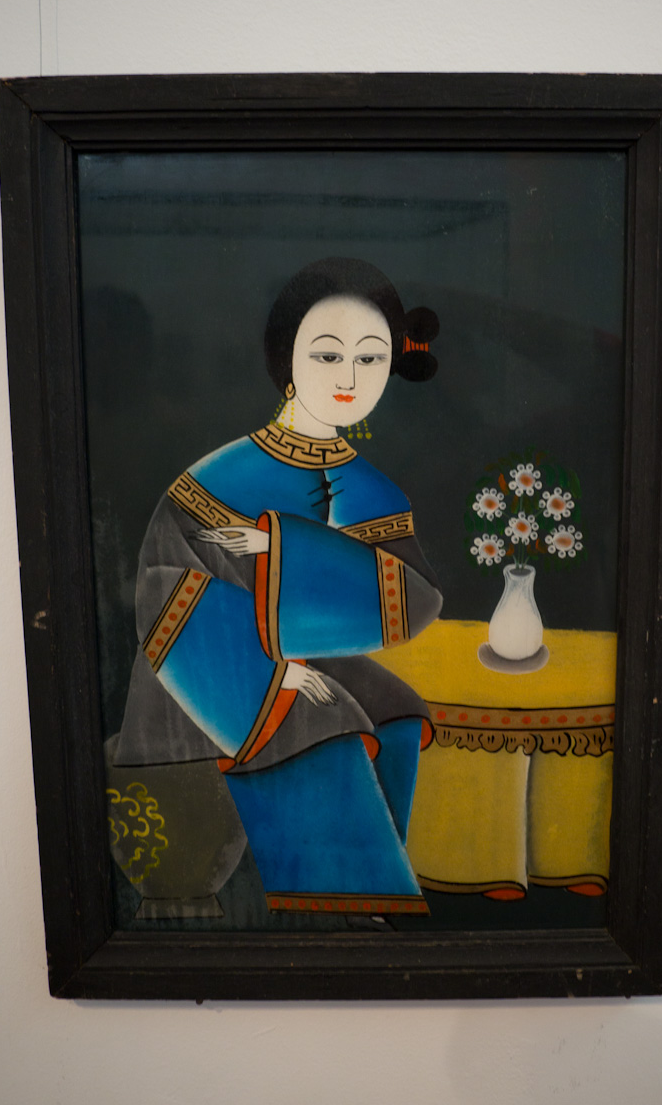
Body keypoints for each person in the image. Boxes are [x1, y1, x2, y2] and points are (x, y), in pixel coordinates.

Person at [114, 258, 442, 918]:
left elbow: (414, 598)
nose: (349, 379)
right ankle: (343, 910)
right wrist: (276, 669)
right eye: (328, 355)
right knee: (327, 721)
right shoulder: (214, 478)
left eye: (371, 359)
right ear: (286, 358)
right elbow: (165, 588)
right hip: (207, 672)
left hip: (293, 654)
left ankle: (364, 910)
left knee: (397, 711)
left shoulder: (369, 487)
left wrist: (280, 547)